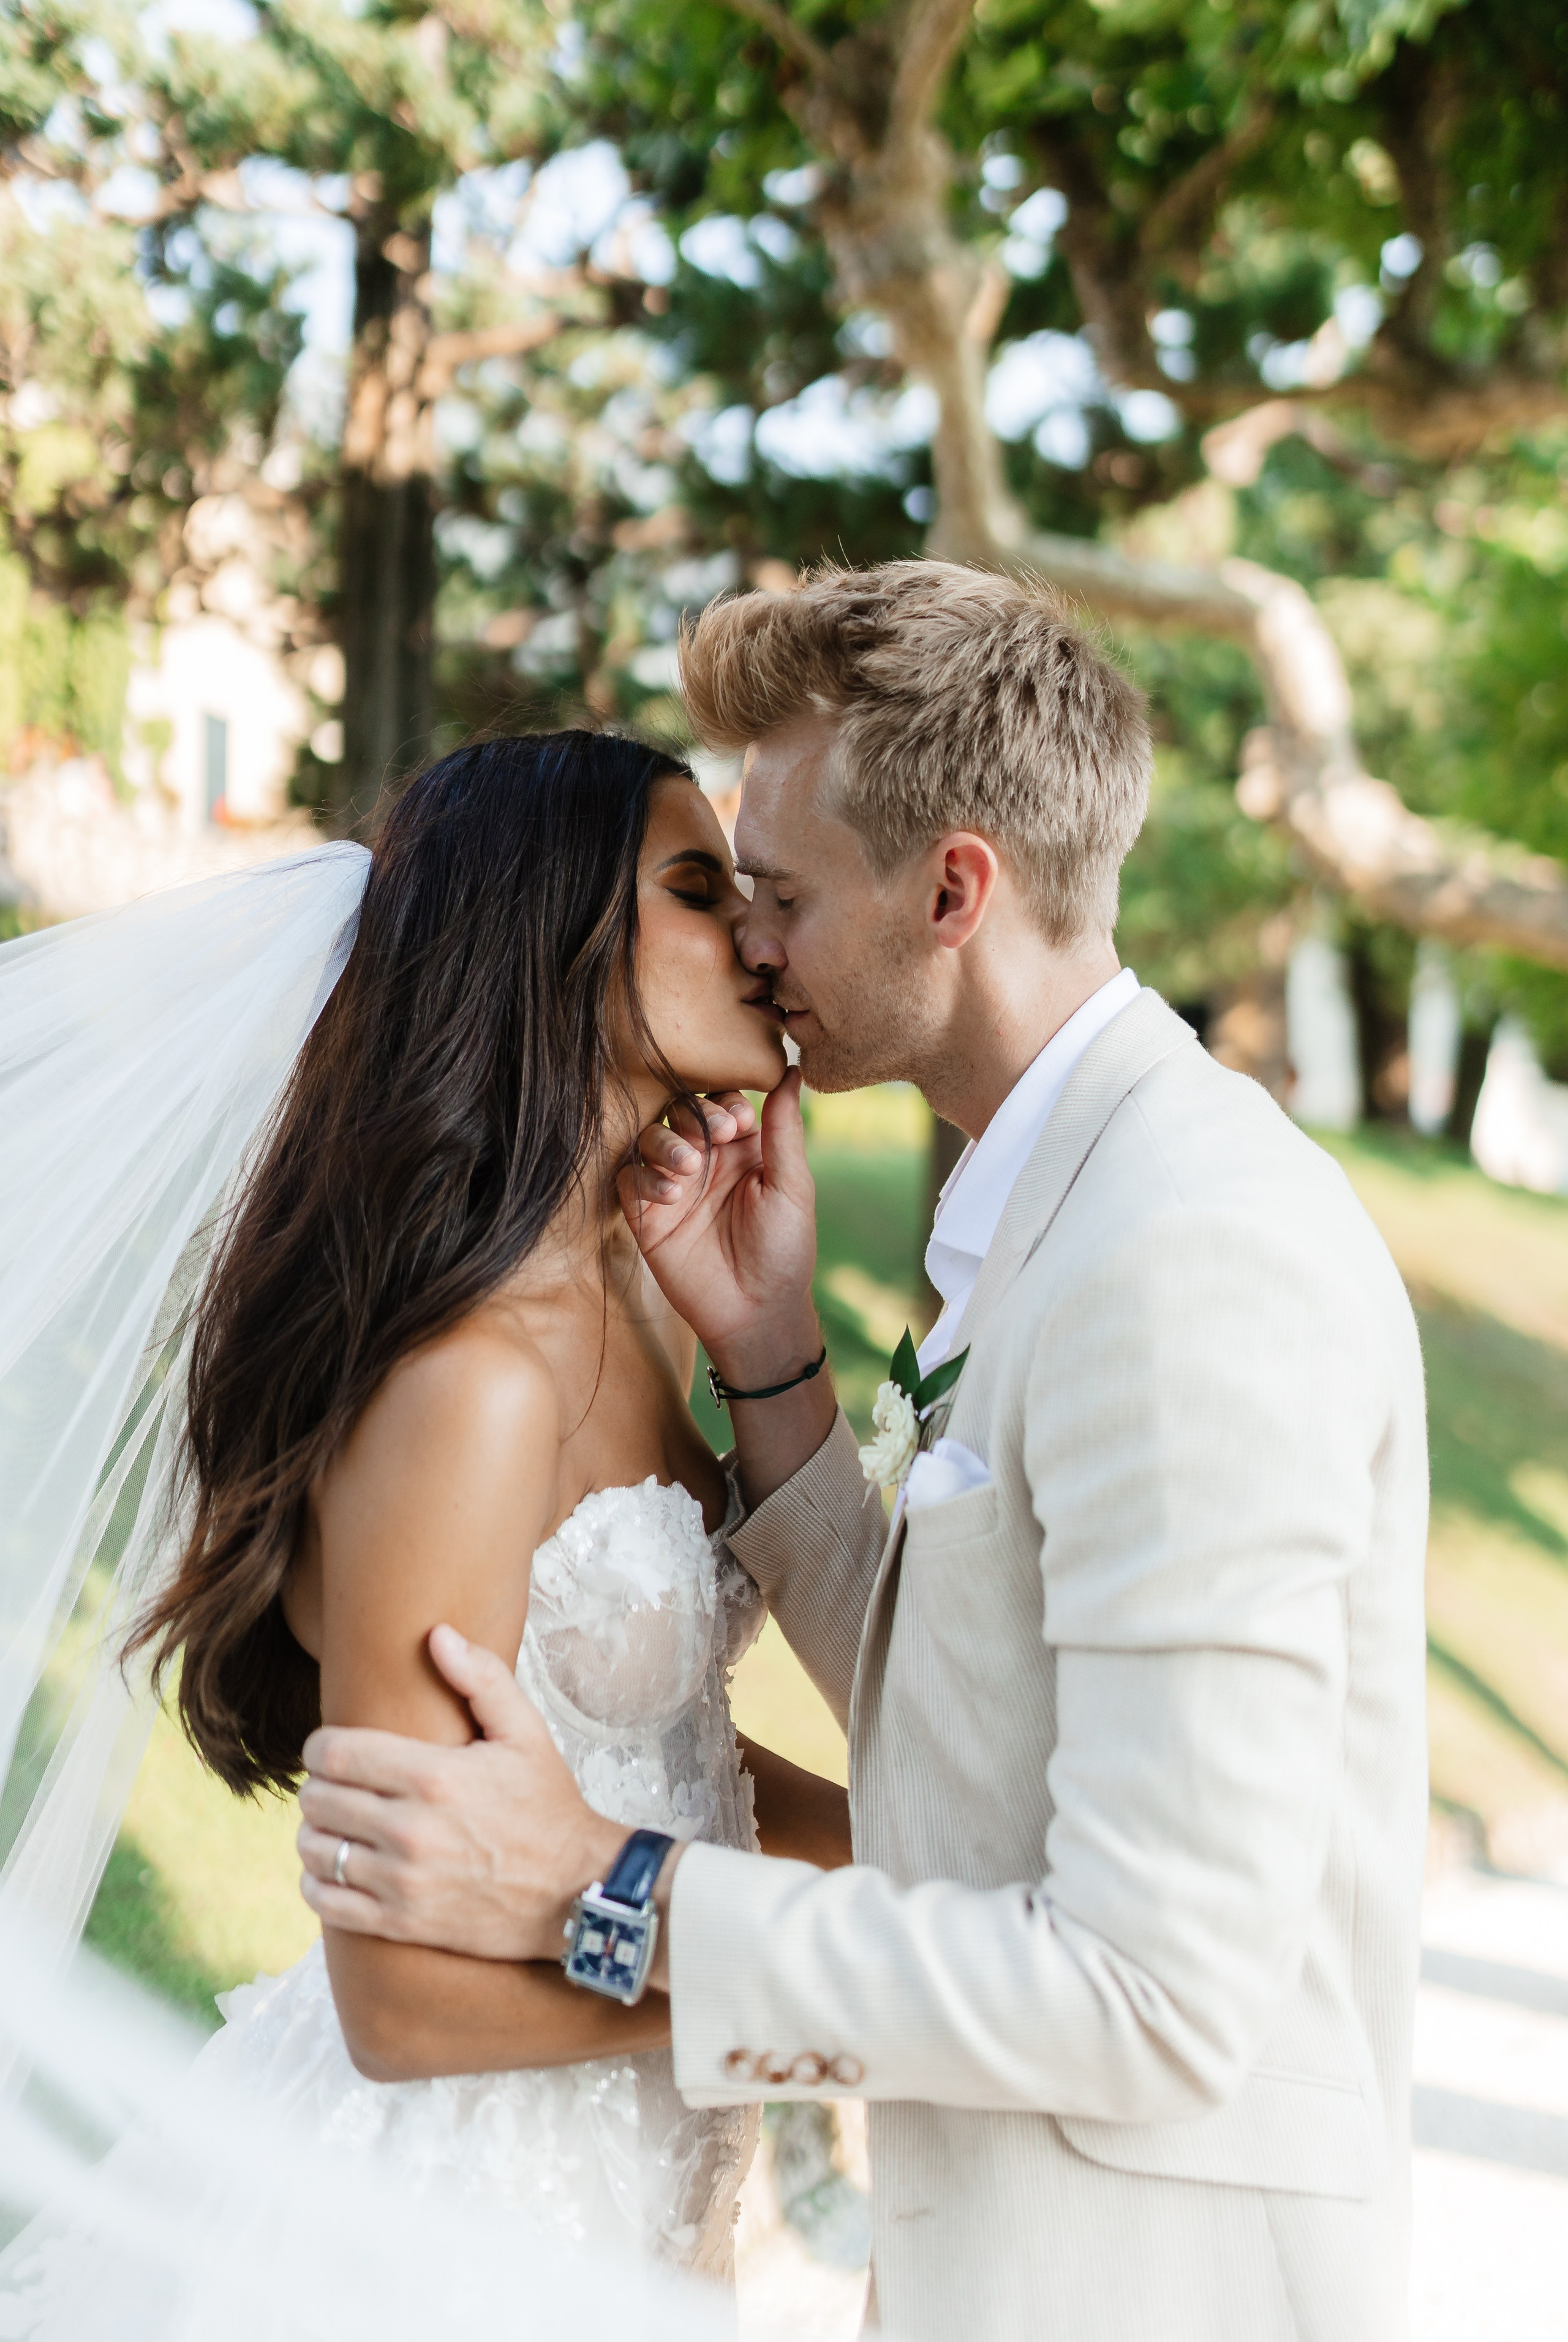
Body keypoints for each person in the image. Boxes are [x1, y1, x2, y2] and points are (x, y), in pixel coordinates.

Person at [300, 563, 1430, 2342]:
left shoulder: (1189, 1250)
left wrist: (607, 1892)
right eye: (720, 896)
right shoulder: (1073, 1213)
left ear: (954, 890)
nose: (755, 947)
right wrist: (771, 1366)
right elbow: (984, 1731)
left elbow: (1152, 1992)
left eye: (780, 895)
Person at [0, 728, 846, 2325]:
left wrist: (936, 1868)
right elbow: (403, 2000)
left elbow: (674, 1754)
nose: (750, 934)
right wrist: (824, 1998)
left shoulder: (635, 1302)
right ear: (548, 941)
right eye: (694, 886)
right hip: (451, 2216)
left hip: (632, 2182)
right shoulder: (465, 1386)